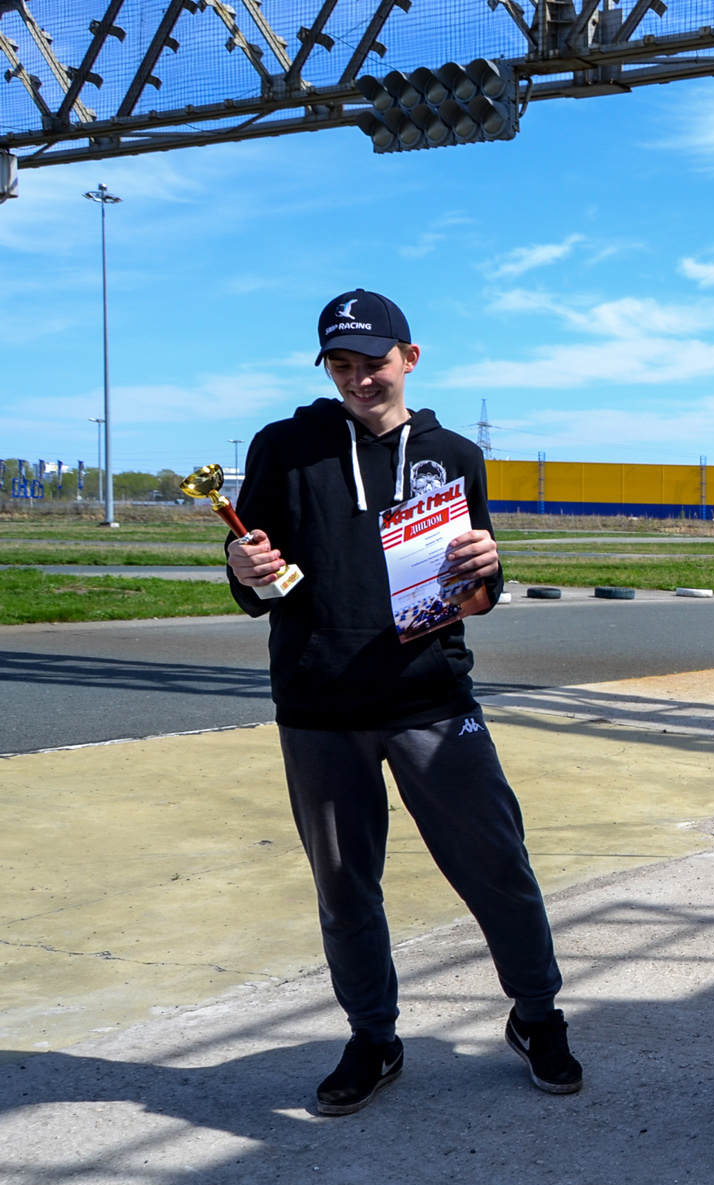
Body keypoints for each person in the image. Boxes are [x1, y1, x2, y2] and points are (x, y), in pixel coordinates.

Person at [227, 289, 582, 1117]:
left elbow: (474, 592)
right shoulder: (285, 447)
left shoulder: (452, 454)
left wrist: (489, 571)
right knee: (345, 886)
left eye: (374, 362)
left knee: (496, 865)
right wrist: (242, 569)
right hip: (320, 705)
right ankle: (373, 1037)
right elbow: (257, 575)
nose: (359, 379)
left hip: (430, 698)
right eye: (341, 364)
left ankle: (536, 1016)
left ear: (410, 358)